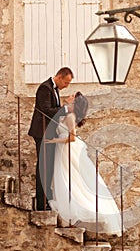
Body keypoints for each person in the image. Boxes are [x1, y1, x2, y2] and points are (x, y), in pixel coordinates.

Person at [44, 92, 122, 236]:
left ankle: (74, 213)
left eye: (72, 97)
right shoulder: (66, 114)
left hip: (67, 149)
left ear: (75, 104)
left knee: (70, 179)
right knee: (67, 179)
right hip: (63, 150)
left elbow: (72, 138)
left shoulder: (71, 117)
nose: (70, 96)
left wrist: (54, 141)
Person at [28, 67, 74, 211]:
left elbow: (52, 111)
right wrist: (66, 109)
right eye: (66, 82)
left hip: (49, 133)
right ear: (59, 77)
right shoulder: (45, 88)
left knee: (48, 167)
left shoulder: (54, 90)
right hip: (42, 133)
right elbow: (46, 110)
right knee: (43, 167)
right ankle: (42, 203)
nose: (67, 86)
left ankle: (46, 199)